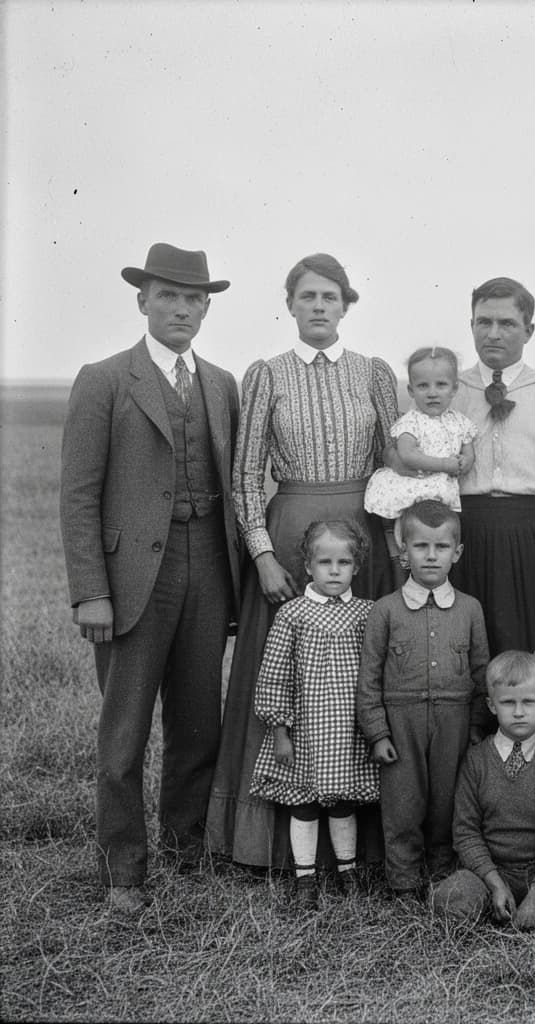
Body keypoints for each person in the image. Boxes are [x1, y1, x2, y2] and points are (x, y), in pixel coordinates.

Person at [60, 242, 240, 912]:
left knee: (200, 725)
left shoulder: (222, 384)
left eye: (195, 299)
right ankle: (125, 873)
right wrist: (91, 591)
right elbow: (79, 495)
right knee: (124, 733)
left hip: (209, 573)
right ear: (142, 300)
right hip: (133, 580)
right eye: (169, 295)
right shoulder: (105, 379)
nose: (183, 309)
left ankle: (185, 854)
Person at [206, 252, 401, 871]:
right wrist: (263, 556)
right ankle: (267, 847)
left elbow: (394, 467)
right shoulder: (266, 373)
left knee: (357, 679)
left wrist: (392, 548)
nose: (319, 306)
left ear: (346, 306)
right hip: (290, 532)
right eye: (308, 296)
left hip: (362, 535)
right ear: (290, 304)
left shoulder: (374, 373)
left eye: (331, 297)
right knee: (285, 675)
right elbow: (243, 478)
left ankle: (365, 848)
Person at [356, 500, 490, 895]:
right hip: (401, 724)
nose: (431, 556)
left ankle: (444, 882)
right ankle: (403, 882)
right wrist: (378, 733)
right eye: (420, 547)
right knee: (403, 804)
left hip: (455, 720)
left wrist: (478, 727)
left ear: (458, 553)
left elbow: (482, 674)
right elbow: (369, 679)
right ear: (402, 552)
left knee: (447, 804)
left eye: (442, 547)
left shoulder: (470, 609)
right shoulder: (384, 611)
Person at [450, 277, 535, 654]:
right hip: (463, 537)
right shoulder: (448, 392)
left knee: (527, 651)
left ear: (528, 330)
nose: (493, 333)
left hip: (531, 540)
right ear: (472, 325)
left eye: (507, 324)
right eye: (484, 322)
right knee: (465, 651)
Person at [249, 520, 378, 911]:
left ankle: (347, 870)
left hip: (348, 731)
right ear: (308, 566)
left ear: (357, 567)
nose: (334, 570)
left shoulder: (366, 613)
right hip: (305, 731)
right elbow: (274, 675)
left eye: (344, 562)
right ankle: (305, 877)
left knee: (343, 803)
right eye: (325, 562)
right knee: (303, 804)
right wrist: (280, 730)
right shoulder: (293, 614)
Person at [431, 651, 535, 929]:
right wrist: (495, 883)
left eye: (529, 702)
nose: (519, 712)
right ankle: (497, 902)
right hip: (491, 870)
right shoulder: (476, 760)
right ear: (491, 705)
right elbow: (465, 833)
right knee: (449, 898)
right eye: (508, 703)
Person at [363, 346, 476, 557]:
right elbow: (407, 455)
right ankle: (399, 555)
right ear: (411, 391)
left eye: (441, 385)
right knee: (407, 525)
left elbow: (468, 450)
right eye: (423, 386)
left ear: (454, 388)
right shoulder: (411, 422)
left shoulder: (459, 422)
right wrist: (444, 465)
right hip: (413, 484)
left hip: (439, 490)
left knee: (435, 531)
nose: (432, 393)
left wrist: (465, 462)